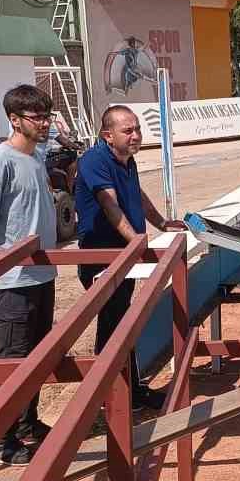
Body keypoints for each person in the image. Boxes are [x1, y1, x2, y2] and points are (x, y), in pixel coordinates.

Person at [0, 85, 59, 465]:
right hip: (15, 280)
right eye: (35, 117)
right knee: (12, 357)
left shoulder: (36, 157)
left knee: (37, 356)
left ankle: (25, 423)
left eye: (45, 116)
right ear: (14, 120)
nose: (43, 123)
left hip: (43, 274)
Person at [74, 104, 182, 410]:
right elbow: (110, 206)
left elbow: (136, 196)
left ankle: (129, 390)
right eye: (128, 130)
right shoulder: (95, 160)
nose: (136, 135)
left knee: (123, 323)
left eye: (137, 128)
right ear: (107, 135)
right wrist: (137, 243)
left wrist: (161, 223)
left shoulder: (125, 159)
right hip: (103, 257)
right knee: (113, 328)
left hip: (124, 256)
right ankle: (111, 397)